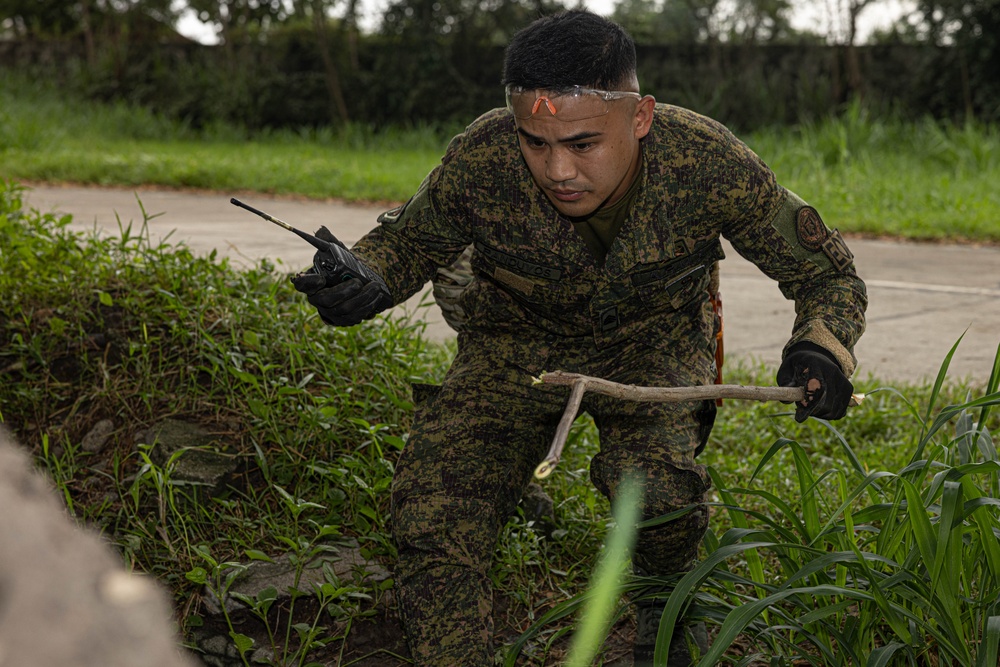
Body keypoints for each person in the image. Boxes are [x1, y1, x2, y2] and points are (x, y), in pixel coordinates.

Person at [291, 9, 867, 666]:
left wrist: (823, 345)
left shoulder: (706, 162)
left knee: (657, 493)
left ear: (641, 117)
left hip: (655, 346)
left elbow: (825, 271)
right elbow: (409, 242)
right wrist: (363, 278)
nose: (557, 168)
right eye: (536, 142)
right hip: (514, 347)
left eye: (583, 143)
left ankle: (665, 604)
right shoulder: (483, 155)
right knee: (435, 509)